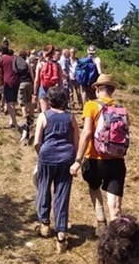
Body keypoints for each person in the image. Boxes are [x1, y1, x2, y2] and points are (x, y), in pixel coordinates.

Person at [71, 74, 128, 234]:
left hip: (95, 159)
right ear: (112, 90)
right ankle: (116, 238)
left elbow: (87, 132)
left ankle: (101, 222)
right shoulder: (121, 108)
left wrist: (78, 159)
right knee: (115, 206)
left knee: (94, 187)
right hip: (116, 161)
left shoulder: (91, 105)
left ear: (97, 89)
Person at [33, 85, 79, 253]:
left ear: (50, 100)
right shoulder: (70, 117)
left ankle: (45, 223)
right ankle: (61, 234)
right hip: (66, 159)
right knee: (62, 195)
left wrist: (41, 155)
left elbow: (37, 141)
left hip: (47, 157)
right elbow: (76, 141)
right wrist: (75, 160)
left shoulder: (44, 116)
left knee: (43, 188)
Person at [0, 44, 21, 130]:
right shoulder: (13, 58)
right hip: (17, 82)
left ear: (1, 52)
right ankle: (11, 121)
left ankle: (14, 123)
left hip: (8, 82)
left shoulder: (1, 60)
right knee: (12, 102)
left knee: (9, 103)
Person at [15, 49, 35, 144]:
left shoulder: (18, 64)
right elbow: (32, 75)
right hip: (29, 83)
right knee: (29, 100)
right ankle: (31, 116)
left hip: (21, 84)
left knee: (22, 101)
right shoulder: (27, 64)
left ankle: (25, 115)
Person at [35, 44, 62, 113]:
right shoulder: (57, 65)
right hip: (54, 89)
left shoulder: (40, 64)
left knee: (45, 113)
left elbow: (37, 80)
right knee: (54, 112)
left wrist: (35, 93)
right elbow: (60, 80)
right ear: (53, 53)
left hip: (43, 89)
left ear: (44, 52)